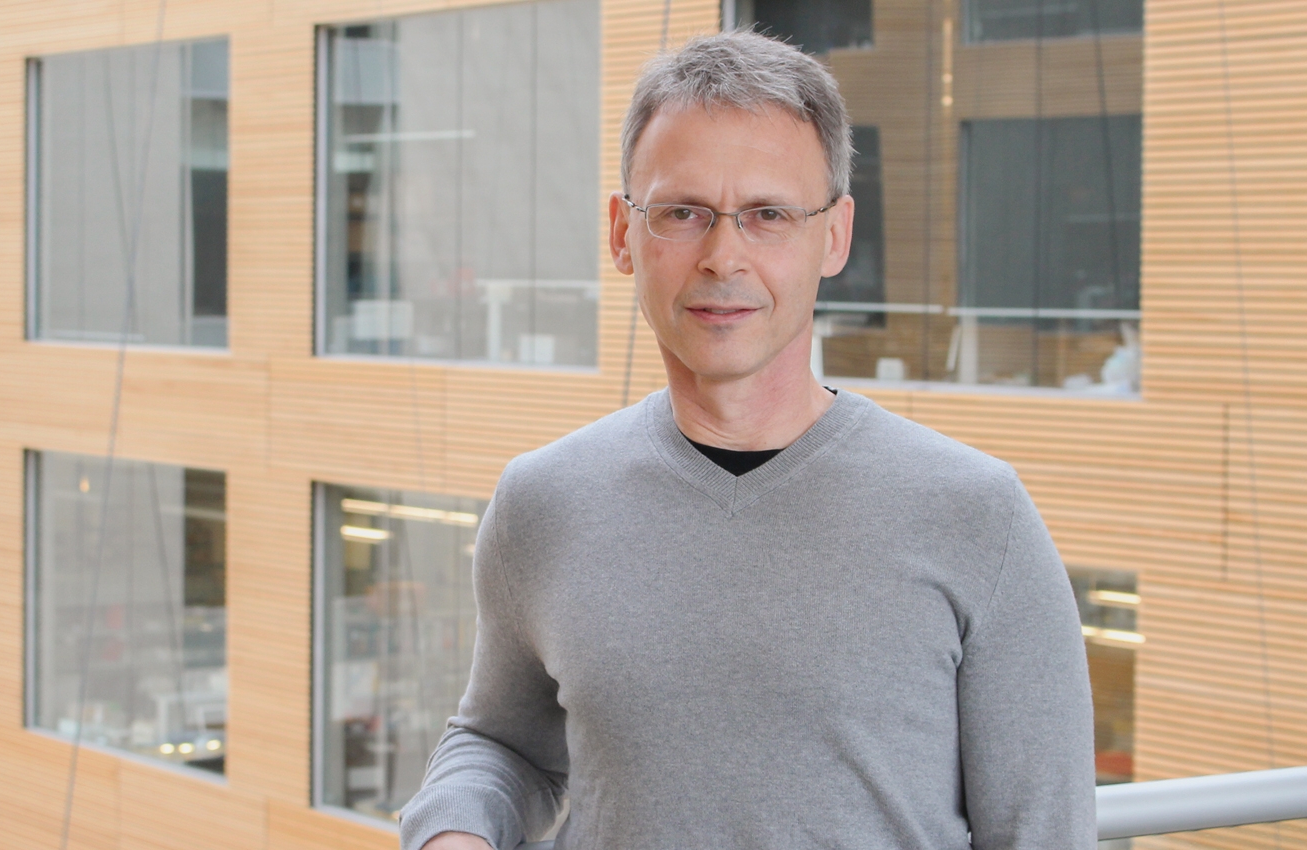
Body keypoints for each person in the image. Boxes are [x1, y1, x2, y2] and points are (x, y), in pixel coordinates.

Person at [399, 29, 1094, 850]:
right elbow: (502, 744)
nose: (723, 257)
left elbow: (1041, 834)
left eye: (768, 215)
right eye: (683, 213)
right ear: (624, 233)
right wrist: (453, 831)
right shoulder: (542, 502)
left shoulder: (978, 517)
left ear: (833, 236)